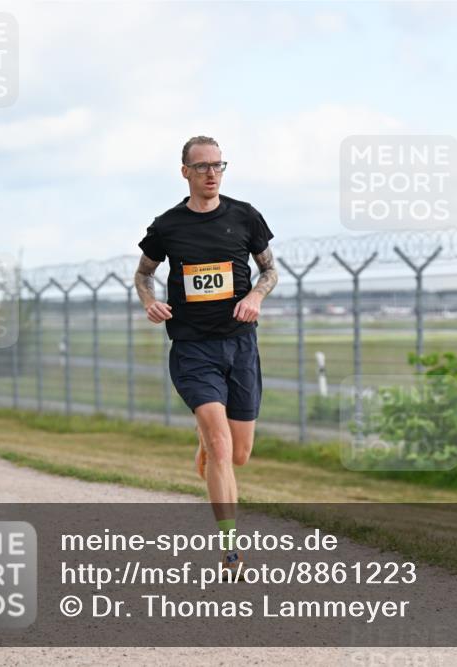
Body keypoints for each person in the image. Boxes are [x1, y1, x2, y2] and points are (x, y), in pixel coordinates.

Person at [134, 135, 277, 575]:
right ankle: (231, 548)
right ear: (185, 173)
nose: (211, 174)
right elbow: (143, 274)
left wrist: (255, 295)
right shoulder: (168, 225)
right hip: (193, 348)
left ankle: (207, 441)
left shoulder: (245, 216)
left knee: (238, 454)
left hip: (240, 344)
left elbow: (270, 269)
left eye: (218, 165)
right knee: (220, 445)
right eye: (202, 167)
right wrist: (148, 301)